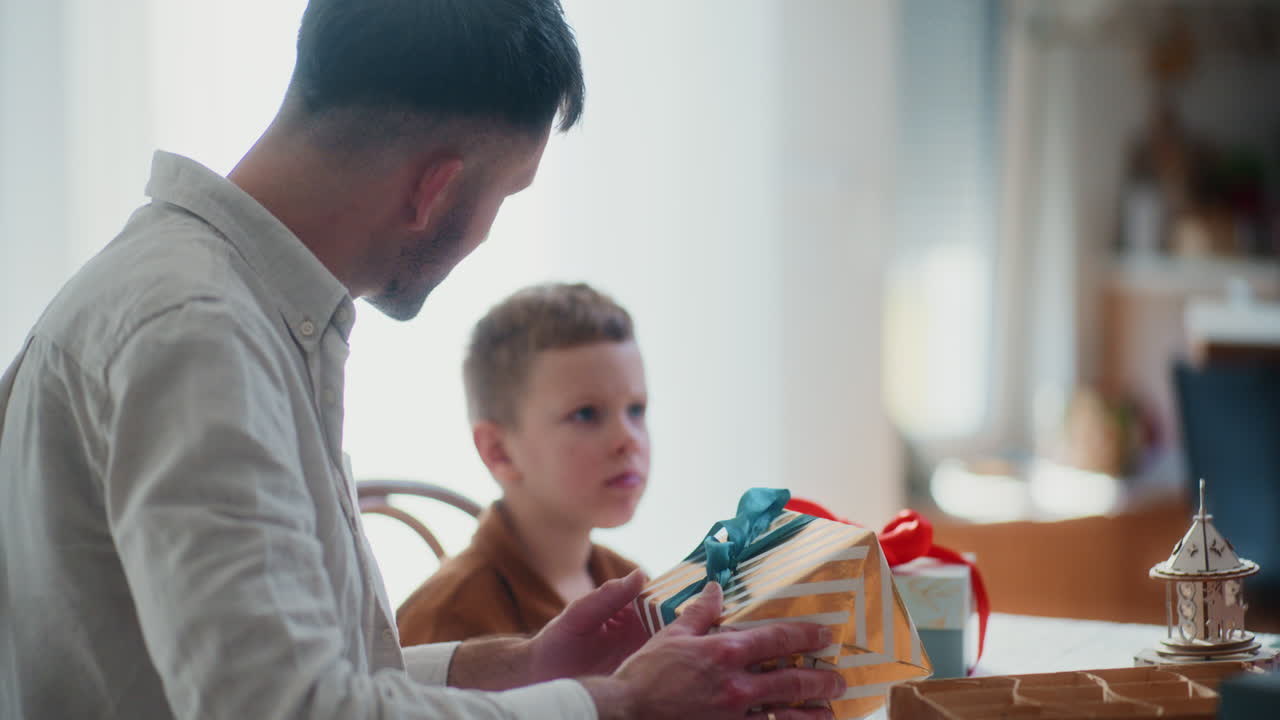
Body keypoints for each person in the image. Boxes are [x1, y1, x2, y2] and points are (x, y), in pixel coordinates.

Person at [0, 1, 846, 718]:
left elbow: (305, 674)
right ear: (434, 188)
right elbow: (284, 709)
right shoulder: (194, 331)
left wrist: (532, 667)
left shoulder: (220, 306)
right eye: (505, 194)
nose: (487, 232)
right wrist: (615, 705)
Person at [397, 283, 647, 645]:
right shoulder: (448, 623)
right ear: (499, 451)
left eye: (636, 409)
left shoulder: (634, 586)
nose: (629, 439)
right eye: (587, 414)